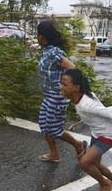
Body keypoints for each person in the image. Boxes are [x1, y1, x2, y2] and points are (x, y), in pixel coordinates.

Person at [37, 21, 87, 163]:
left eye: (38, 34)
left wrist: (71, 90)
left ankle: (78, 144)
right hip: (49, 95)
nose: (37, 37)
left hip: (58, 96)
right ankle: (54, 154)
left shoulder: (54, 53)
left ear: (42, 36)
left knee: (53, 129)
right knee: (44, 125)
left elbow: (73, 69)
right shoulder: (48, 51)